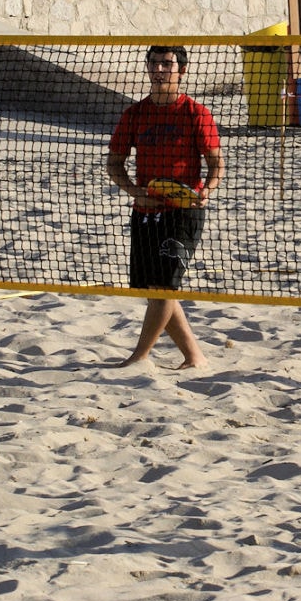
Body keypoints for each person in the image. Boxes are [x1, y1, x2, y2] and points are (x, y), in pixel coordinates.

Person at [107, 45, 225, 369]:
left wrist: (206, 191)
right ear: (147, 67)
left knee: (163, 287)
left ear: (181, 71)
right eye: (155, 63)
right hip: (145, 211)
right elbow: (114, 163)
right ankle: (194, 356)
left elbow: (217, 165)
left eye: (167, 64)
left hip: (184, 211)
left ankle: (139, 357)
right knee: (155, 291)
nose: (160, 70)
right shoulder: (135, 114)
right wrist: (134, 191)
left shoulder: (196, 113)